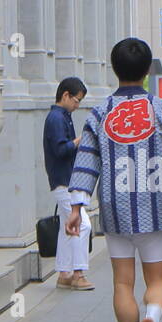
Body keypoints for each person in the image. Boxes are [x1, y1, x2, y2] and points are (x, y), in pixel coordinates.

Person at [65, 38, 162, 322]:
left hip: (115, 206)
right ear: (148, 71)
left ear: (114, 69)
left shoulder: (100, 112)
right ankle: (153, 316)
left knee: (122, 282)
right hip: (155, 203)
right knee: (158, 282)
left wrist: (76, 206)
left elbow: (86, 160)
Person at [43, 77, 93, 291]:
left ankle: (65, 273)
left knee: (68, 226)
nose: (77, 105)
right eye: (76, 100)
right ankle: (78, 273)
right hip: (64, 180)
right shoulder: (56, 118)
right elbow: (61, 150)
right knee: (82, 224)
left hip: (63, 179)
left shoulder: (61, 116)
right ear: (65, 95)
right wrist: (79, 141)